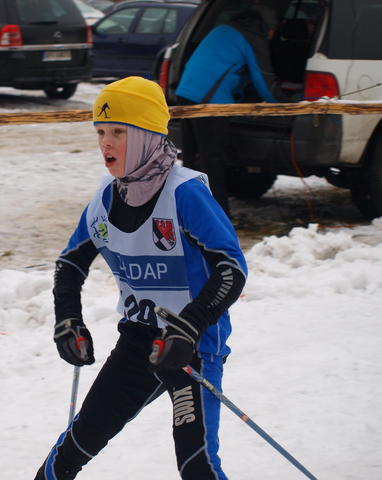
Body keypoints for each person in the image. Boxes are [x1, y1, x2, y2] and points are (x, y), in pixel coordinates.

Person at [34, 76, 247, 479]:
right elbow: (70, 265)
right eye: (100, 132)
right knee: (70, 451)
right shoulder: (106, 198)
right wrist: (68, 320)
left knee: (197, 464)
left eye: (119, 132)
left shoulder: (184, 193)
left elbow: (231, 267)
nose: (106, 144)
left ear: (148, 135)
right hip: (139, 342)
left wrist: (191, 326)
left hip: (192, 346)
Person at [175, 5, 281, 217]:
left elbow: (226, 69)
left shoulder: (224, 28)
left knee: (191, 158)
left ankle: (185, 211)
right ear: (267, 27)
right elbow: (263, 79)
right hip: (209, 103)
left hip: (185, 92)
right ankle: (219, 216)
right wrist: (284, 104)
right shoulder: (252, 37)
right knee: (212, 160)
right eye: (273, 31)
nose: (272, 36)